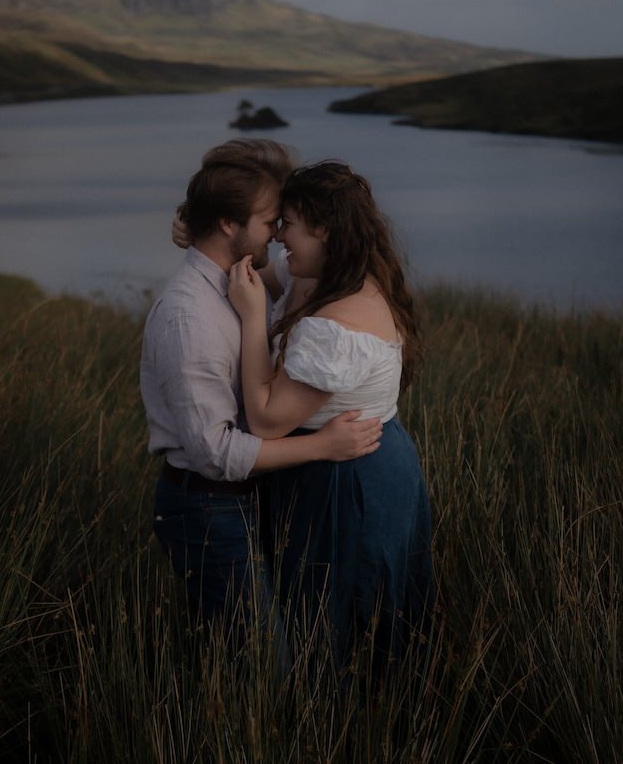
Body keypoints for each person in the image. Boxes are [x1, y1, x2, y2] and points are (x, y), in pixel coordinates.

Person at [140, 139, 384, 630]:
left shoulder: (240, 277)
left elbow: (305, 275)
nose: (277, 232)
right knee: (261, 659)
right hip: (208, 505)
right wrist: (322, 446)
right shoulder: (191, 318)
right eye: (270, 221)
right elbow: (214, 452)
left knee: (281, 639)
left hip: (249, 497)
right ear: (228, 225)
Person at [225, 160, 436, 667]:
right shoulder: (322, 276)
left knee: (343, 621)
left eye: (289, 225)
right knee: (321, 611)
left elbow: (267, 421)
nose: (280, 237)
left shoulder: (340, 322)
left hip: (349, 478)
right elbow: (259, 272)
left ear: (323, 229)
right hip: (333, 463)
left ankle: (348, 713)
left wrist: (252, 318)